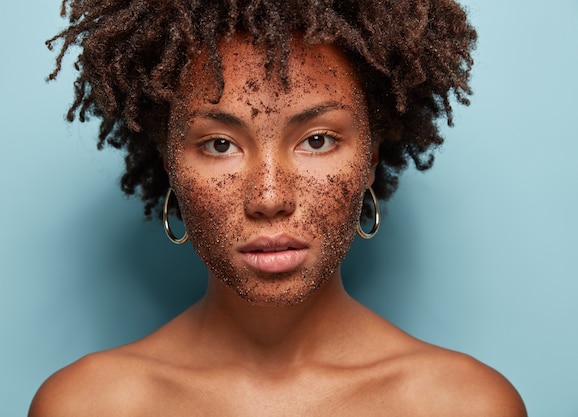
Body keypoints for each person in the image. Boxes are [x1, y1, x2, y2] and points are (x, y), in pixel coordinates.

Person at [30, 1, 527, 415]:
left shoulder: (465, 405)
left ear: (370, 159)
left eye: (316, 139)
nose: (269, 199)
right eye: (220, 144)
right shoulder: (87, 406)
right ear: (170, 165)